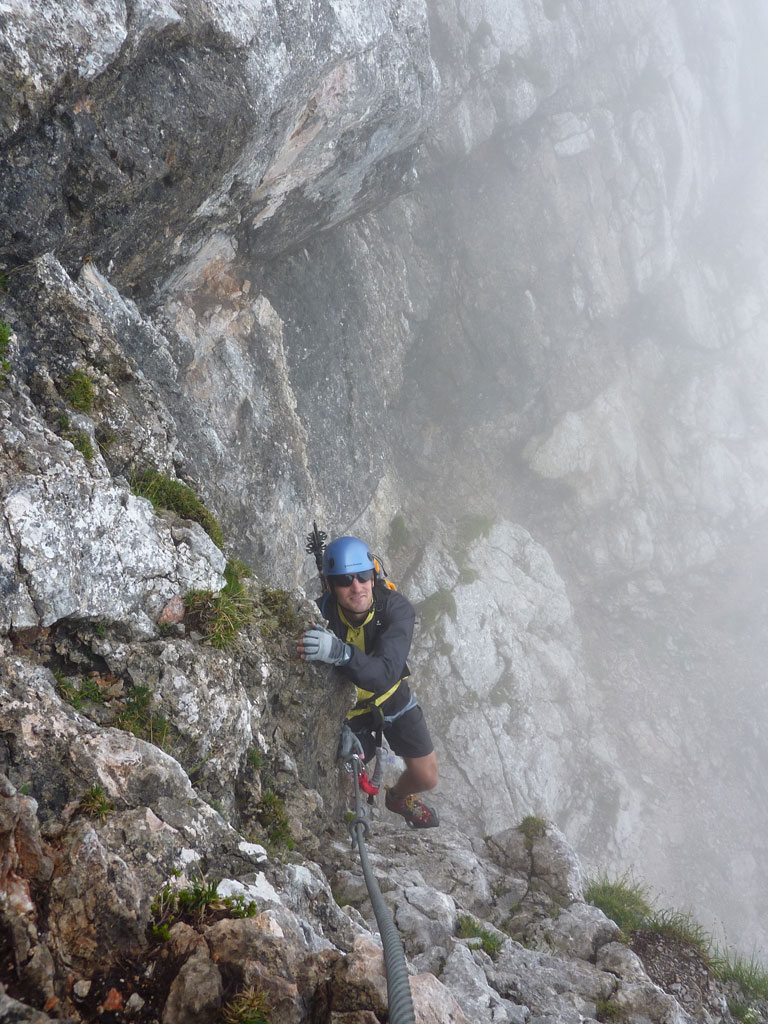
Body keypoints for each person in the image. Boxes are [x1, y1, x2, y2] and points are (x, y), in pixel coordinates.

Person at [297, 535, 439, 829]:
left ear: (373, 578)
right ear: (331, 586)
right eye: (345, 580)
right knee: (343, 782)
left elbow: (385, 673)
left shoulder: (396, 610)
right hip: (351, 714)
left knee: (427, 777)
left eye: (363, 576)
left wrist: (340, 652)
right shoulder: (319, 616)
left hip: (392, 696)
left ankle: (398, 798)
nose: (357, 586)